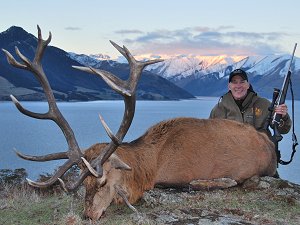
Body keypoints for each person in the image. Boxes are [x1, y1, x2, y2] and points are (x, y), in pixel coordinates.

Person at [209, 68, 291, 138]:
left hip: (260, 154)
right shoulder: (219, 109)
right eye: (234, 82)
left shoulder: (264, 104)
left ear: (248, 85)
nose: (238, 86)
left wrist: (283, 116)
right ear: (229, 86)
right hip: (229, 155)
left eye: (242, 82)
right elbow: (209, 135)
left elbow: (283, 130)